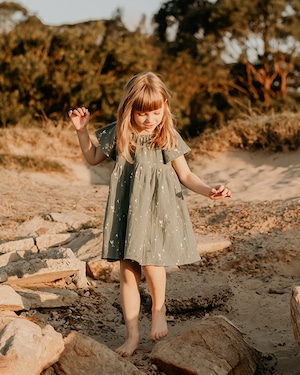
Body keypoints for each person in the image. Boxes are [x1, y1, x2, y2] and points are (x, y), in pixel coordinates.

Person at [68, 71, 231, 357]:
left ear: (165, 105)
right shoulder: (120, 133)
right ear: (130, 109)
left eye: (155, 112)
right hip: (128, 211)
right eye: (142, 113)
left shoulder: (166, 136)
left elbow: (187, 175)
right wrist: (81, 131)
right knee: (128, 271)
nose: (149, 119)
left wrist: (209, 191)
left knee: (154, 263)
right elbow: (93, 158)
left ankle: (159, 308)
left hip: (158, 209)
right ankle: (132, 336)